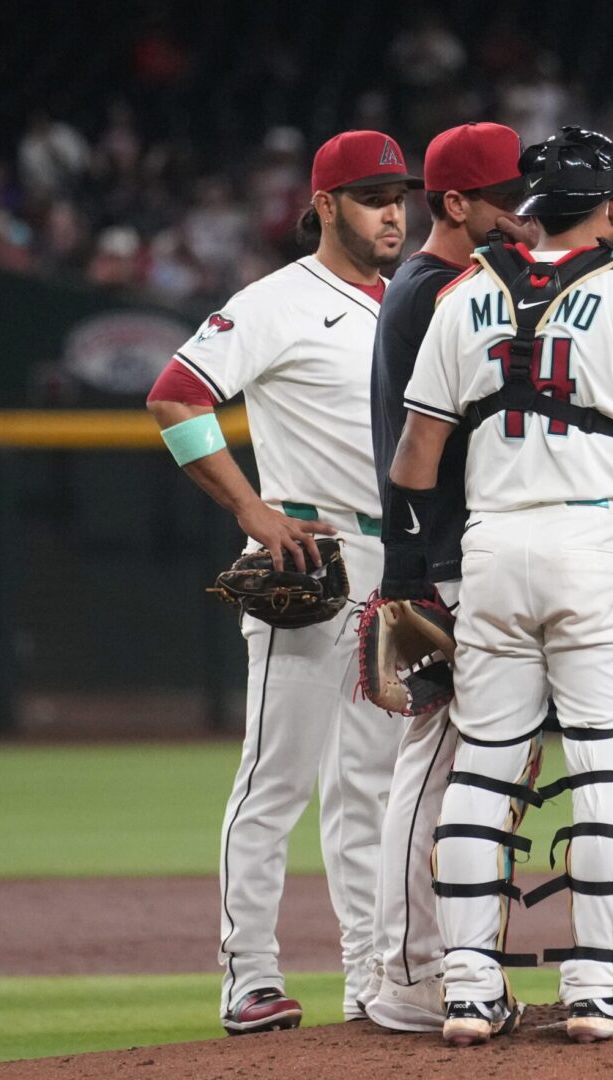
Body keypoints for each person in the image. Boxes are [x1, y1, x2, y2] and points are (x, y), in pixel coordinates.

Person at [385, 126, 613, 1046]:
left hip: (493, 547)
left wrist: (406, 579)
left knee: (485, 765)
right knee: (610, 763)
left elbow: (415, 458)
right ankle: (592, 990)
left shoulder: (466, 293)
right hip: (593, 538)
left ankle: (468, 992)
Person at [145, 130, 415, 1035]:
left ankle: (368, 978)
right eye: (373, 195)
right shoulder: (275, 301)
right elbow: (175, 396)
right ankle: (248, 976)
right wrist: (252, 512)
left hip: (396, 565)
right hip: (314, 557)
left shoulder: (409, 302)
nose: (393, 210)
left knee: (371, 788)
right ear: (325, 204)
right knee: (278, 777)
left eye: (400, 194)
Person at [362, 121, 531, 1033]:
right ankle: (410, 971)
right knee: (433, 770)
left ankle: (426, 963)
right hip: (444, 558)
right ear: (455, 203)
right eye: (505, 201)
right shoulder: (435, 292)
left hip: (456, 553)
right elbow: (410, 454)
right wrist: (412, 574)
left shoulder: (439, 286)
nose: (523, 217)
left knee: (450, 768)